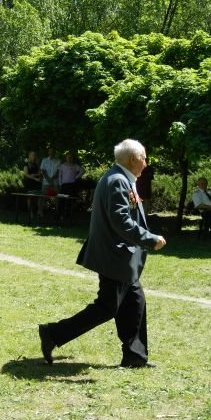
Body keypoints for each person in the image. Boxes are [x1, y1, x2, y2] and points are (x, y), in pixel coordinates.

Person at [38, 139, 166, 368]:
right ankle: (53, 333)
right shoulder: (117, 181)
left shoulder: (120, 178)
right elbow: (121, 221)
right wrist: (150, 239)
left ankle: (135, 356)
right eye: (144, 158)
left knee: (135, 302)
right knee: (106, 308)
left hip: (121, 257)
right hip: (115, 257)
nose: (146, 164)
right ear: (133, 159)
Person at [57, 151, 85, 222]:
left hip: (72, 186)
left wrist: (76, 177)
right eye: (68, 157)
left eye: (70, 157)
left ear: (72, 158)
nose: (69, 159)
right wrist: (60, 184)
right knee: (62, 200)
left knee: (69, 201)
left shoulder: (75, 166)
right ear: (66, 158)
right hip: (64, 185)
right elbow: (59, 175)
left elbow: (83, 171)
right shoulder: (62, 166)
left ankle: (68, 216)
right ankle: (60, 215)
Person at [39, 147, 61, 217]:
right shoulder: (44, 160)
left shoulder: (58, 161)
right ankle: (40, 212)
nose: (51, 152)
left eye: (53, 151)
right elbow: (43, 171)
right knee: (42, 197)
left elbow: (58, 171)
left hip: (56, 182)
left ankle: (57, 212)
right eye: (50, 151)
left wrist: (52, 179)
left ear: (55, 152)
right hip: (46, 182)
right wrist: (48, 179)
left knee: (57, 197)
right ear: (48, 152)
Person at [22, 151, 42, 219]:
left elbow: (39, 173)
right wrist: (34, 178)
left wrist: (35, 175)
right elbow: (26, 174)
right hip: (29, 183)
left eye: (34, 155)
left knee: (39, 197)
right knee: (30, 198)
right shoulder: (26, 164)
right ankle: (30, 213)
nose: (34, 156)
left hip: (36, 183)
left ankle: (39, 212)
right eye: (32, 155)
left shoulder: (36, 164)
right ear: (29, 156)